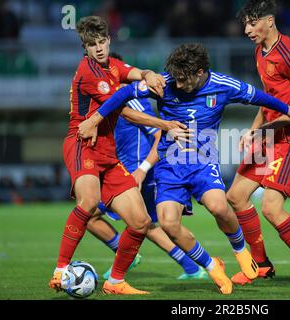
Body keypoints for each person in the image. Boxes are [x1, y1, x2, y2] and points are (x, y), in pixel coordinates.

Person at [78, 43, 290, 294]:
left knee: (219, 206)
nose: (177, 85)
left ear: (200, 72)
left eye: (183, 79)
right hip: (169, 165)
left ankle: (241, 250)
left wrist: (289, 110)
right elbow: (122, 96)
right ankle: (212, 266)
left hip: (203, 160)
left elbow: (259, 96)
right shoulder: (164, 82)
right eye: (175, 79)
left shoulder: (223, 85)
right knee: (168, 223)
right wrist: (95, 119)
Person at [48, 16, 189, 295]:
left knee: (140, 221)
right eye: (92, 44)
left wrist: (148, 73)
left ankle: (116, 281)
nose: (99, 48)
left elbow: (135, 76)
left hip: (108, 153)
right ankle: (61, 269)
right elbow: (121, 105)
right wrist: (164, 123)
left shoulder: (112, 65)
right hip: (82, 143)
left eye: (102, 42)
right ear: (84, 47)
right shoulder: (89, 72)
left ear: (109, 41)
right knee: (88, 203)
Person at [225, 0, 290, 290]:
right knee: (236, 196)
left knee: (271, 207)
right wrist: (254, 130)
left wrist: (274, 126)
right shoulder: (260, 50)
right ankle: (261, 265)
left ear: (269, 21)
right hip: (269, 136)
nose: (246, 29)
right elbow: (268, 99)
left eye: (251, 23)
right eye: (245, 24)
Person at [86, 53, 208, 281]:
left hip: (139, 172)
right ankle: (191, 267)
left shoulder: (131, 101)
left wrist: (142, 169)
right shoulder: (112, 102)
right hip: (129, 171)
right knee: (146, 223)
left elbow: (160, 135)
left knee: (93, 213)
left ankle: (128, 257)